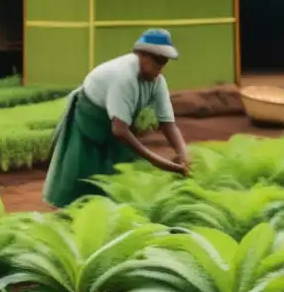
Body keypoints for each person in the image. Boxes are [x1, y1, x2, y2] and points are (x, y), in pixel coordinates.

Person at [43, 28, 190, 209]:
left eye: (164, 62)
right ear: (142, 55)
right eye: (157, 60)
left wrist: (183, 154)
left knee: (119, 174)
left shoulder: (157, 81)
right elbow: (120, 131)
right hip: (89, 114)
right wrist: (158, 162)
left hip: (116, 123)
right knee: (79, 173)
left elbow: (168, 124)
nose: (160, 67)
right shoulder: (125, 77)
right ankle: (64, 215)